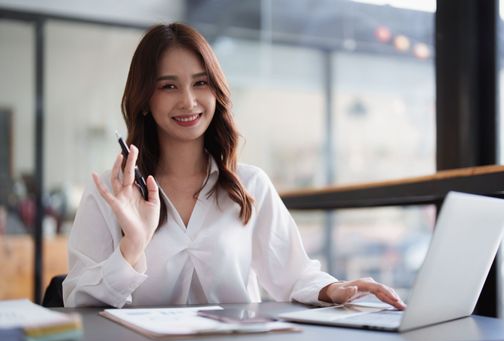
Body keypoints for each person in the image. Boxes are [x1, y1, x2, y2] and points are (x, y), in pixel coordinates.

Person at [62, 22, 406, 310]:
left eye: (201, 83)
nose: (188, 101)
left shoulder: (250, 185)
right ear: (145, 100)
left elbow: (295, 274)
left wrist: (333, 289)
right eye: (168, 86)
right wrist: (132, 245)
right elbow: (78, 302)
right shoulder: (110, 193)